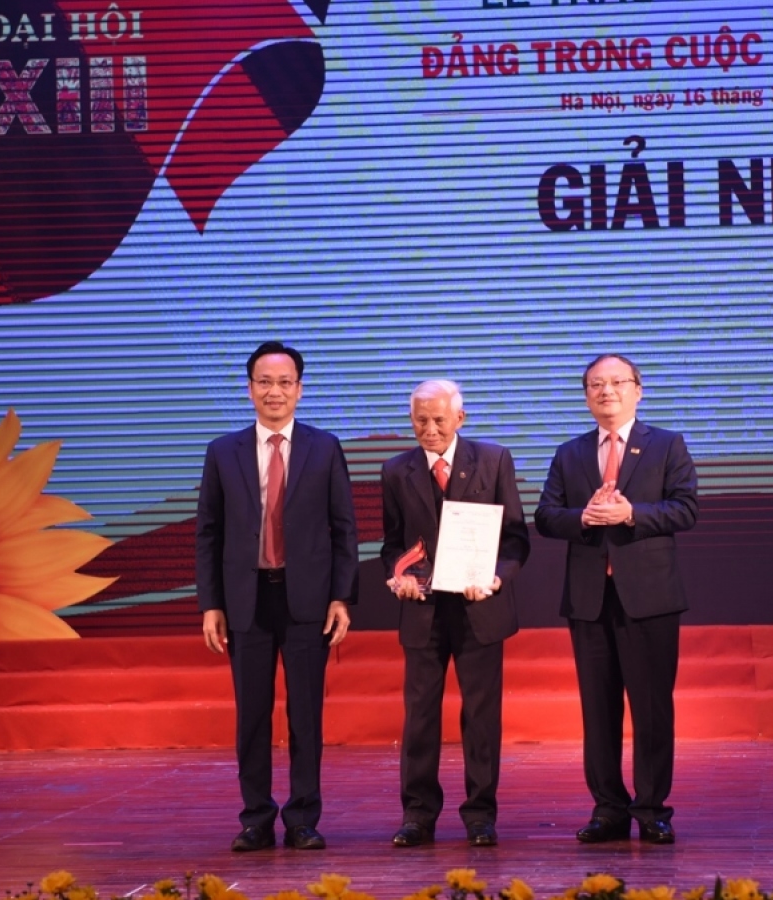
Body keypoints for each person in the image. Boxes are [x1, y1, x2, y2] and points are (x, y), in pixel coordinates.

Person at [195, 340, 359, 852]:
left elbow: (344, 529)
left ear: (299, 390)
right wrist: (211, 603)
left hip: (307, 600)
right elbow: (208, 532)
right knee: (252, 716)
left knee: (305, 715)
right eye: (264, 382)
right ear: (249, 390)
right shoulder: (223, 452)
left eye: (284, 382)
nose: (274, 391)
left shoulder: (324, 448)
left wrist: (341, 597)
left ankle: (303, 818)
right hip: (246, 601)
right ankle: (256, 818)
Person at [534, 353, 698, 845]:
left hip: (649, 597)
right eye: (596, 384)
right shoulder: (570, 453)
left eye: (617, 382)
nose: (607, 391)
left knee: (651, 710)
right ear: (586, 396)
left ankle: (652, 810)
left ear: (637, 390)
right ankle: (608, 809)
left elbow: (686, 509)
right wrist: (583, 517)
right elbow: (546, 516)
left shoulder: (666, 444)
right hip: (589, 599)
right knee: (598, 711)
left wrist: (631, 514)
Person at [381, 380, 531, 848]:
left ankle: (480, 815)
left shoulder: (493, 460)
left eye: (439, 420)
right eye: (420, 420)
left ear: (459, 419)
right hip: (422, 610)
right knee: (420, 716)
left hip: (478, 606)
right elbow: (392, 544)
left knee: (481, 717)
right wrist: (400, 575)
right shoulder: (395, 470)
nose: (429, 429)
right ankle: (417, 816)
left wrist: (495, 578)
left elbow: (515, 540)